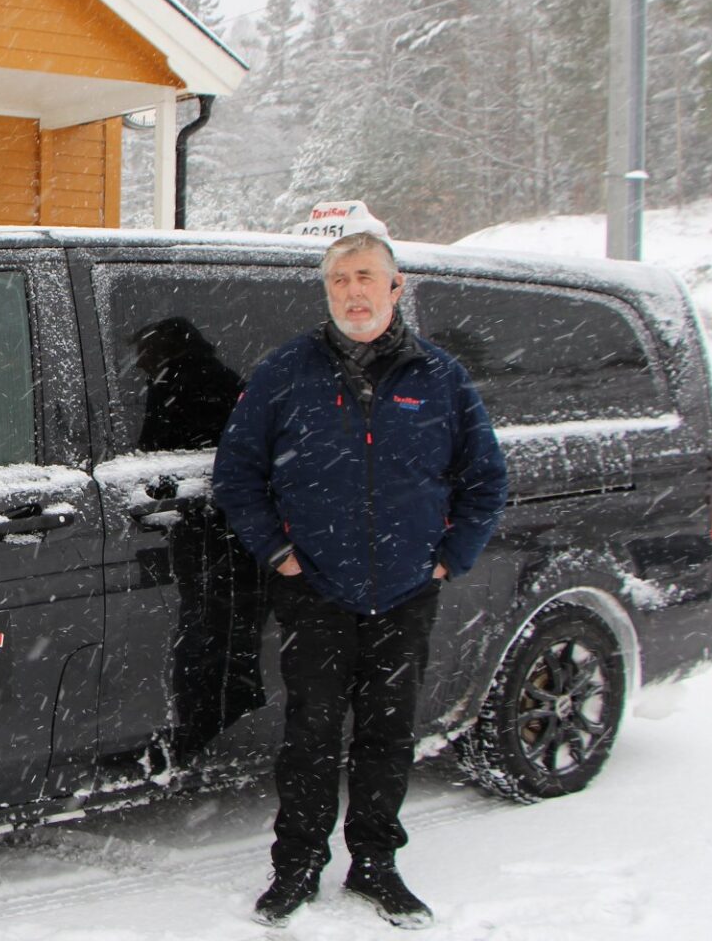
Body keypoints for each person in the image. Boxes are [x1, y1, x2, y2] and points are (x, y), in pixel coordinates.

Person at [212, 233, 507, 929]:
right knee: (310, 735)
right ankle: (297, 865)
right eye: (340, 279)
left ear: (396, 286)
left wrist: (451, 556)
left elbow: (485, 480)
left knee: (388, 734)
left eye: (366, 277)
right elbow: (236, 474)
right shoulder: (287, 371)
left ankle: (375, 863)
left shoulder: (439, 377)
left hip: (407, 591)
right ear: (327, 291)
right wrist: (279, 553)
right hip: (315, 589)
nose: (353, 291)